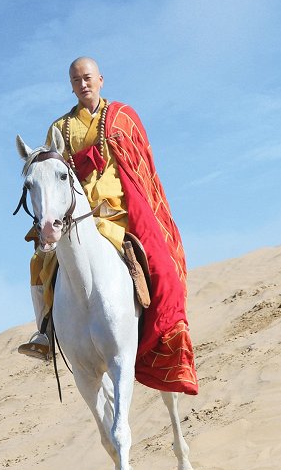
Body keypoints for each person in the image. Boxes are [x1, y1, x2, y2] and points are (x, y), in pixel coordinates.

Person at [18, 57, 198, 395]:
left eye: (87, 78)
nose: (82, 84)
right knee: (38, 261)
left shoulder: (123, 118)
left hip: (117, 213)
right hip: (76, 216)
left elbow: (140, 166)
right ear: (70, 85)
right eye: (75, 80)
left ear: (100, 79)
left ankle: (164, 324)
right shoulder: (59, 128)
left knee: (152, 261)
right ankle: (43, 333)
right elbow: (55, 178)